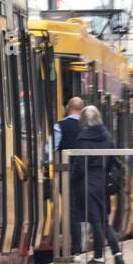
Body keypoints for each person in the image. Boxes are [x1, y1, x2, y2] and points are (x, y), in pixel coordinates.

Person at [76, 105, 123, 264]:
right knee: (102, 220)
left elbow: (81, 164)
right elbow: (113, 161)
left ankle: (98, 257)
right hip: (102, 181)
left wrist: (71, 178)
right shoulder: (107, 136)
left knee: (96, 220)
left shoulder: (83, 138)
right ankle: (117, 254)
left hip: (88, 181)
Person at [57, 97, 85, 255]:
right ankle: (96, 253)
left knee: (72, 211)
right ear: (82, 109)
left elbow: (50, 149)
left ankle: (76, 249)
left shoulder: (60, 126)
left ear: (67, 108)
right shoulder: (88, 127)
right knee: (94, 213)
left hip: (67, 174)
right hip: (87, 175)